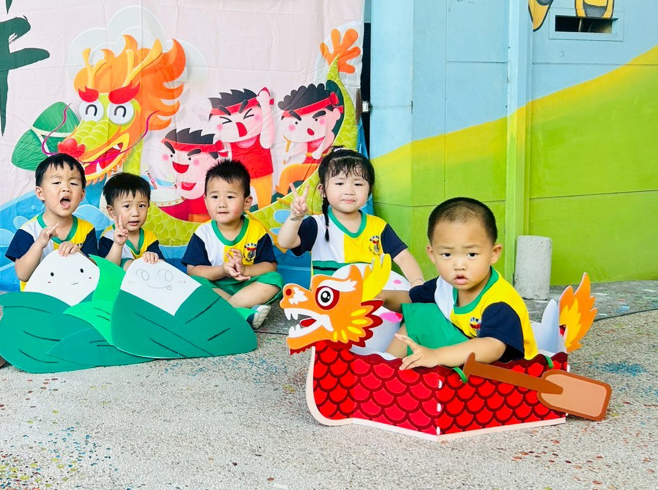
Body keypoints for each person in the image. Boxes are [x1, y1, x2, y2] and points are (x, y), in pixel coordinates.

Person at [380, 197, 539, 369]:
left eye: (471, 254)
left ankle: (385, 373)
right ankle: (385, 368)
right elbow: (411, 299)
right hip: (470, 363)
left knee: (422, 318)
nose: (459, 265)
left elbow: (492, 347)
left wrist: (437, 355)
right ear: (432, 254)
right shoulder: (445, 285)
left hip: (509, 374)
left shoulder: (499, 301)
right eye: (447, 255)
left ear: (494, 253)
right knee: (420, 316)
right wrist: (383, 296)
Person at [276, 147, 424, 282]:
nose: (349, 191)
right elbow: (285, 242)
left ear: (369, 191)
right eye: (340, 183)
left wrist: (417, 282)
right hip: (328, 299)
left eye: (358, 184)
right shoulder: (317, 224)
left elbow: (403, 257)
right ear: (322, 190)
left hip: (372, 299)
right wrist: (295, 217)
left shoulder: (378, 226)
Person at [181, 159, 283, 329]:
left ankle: (226, 312)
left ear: (247, 202)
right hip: (216, 288)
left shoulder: (256, 230)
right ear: (206, 200)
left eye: (230, 197)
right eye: (215, 197)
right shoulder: (203, 233)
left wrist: (245, 269)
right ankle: (243, 314)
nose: (222, 204)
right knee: (193, 282)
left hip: (247, 287)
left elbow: (270, 266)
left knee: (275, 280)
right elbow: (193, 270)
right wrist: (222, 270)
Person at [6, 153, 98, 285]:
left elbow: (94, 271)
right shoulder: (28, 231)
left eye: (73, 183)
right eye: (56, 182)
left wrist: (79, 255)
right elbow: (22, 275)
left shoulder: (87, 229)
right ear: (41, 193)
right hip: (38, 296)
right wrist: (38, 245)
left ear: (82, 195)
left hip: (74, 293)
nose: (66, 188)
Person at [98, 173, 163, 268]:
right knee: (127, 263)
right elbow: (107, 268)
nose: (135, 213)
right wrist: (118, 245)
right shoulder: (108, 237)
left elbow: (162, 266)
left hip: (145, 276)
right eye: (127, 206)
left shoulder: (149, 237)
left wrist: (154, 258)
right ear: (111, 211)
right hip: (120, 277)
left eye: (141, 206)